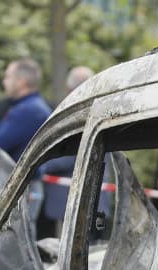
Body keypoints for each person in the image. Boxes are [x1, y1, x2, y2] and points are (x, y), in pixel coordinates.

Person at [0, 58, 52, 223]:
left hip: (22, 188)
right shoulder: (34, 107)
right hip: (26, 186)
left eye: (8, 77)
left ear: (21, 82)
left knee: (15, 243)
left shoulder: (28, 110)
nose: (4, 82)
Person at [40, 66, 95, 237]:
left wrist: (40, 163)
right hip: (89, 197)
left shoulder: (81, 115)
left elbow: (73, 154)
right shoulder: (100, 109)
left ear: (70, 89)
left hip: (76, 198)